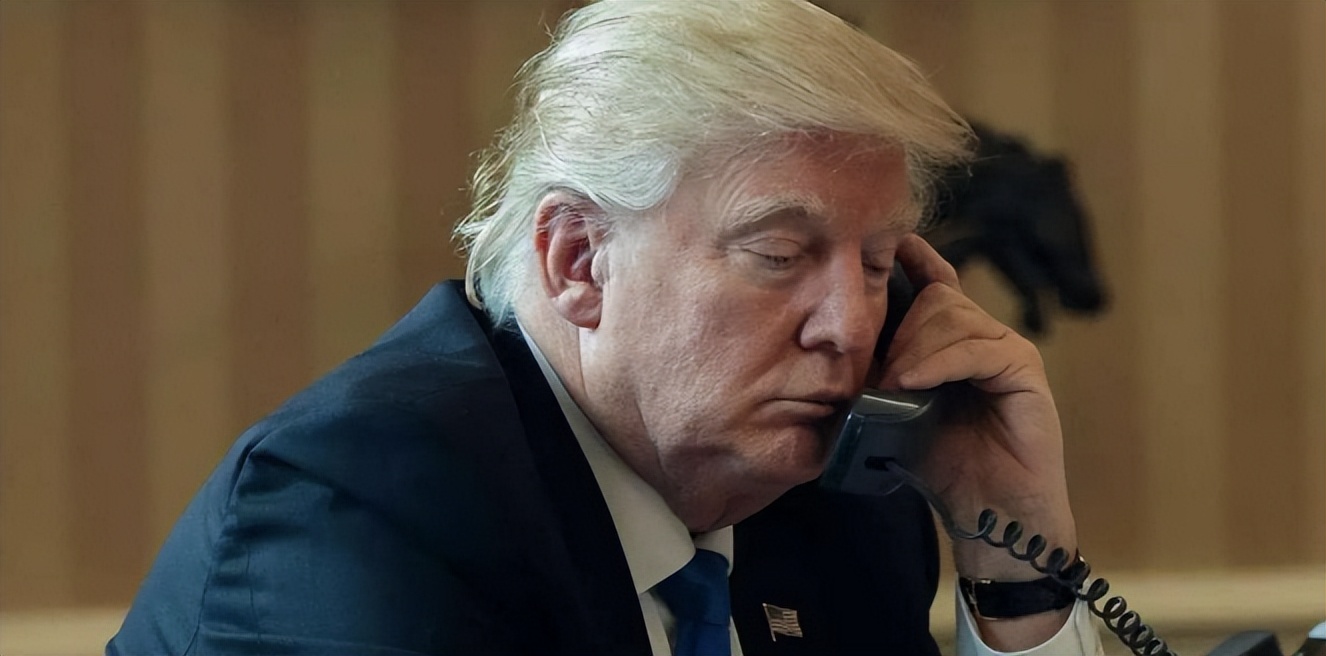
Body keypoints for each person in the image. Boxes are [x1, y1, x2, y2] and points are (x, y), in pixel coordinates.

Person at [109, 1, 1105, 655]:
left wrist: (1014, 560)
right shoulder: (366, 503)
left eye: (880, 265)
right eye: (779, 253)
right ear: (578, 260)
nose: (850, 326)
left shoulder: (839, 512)